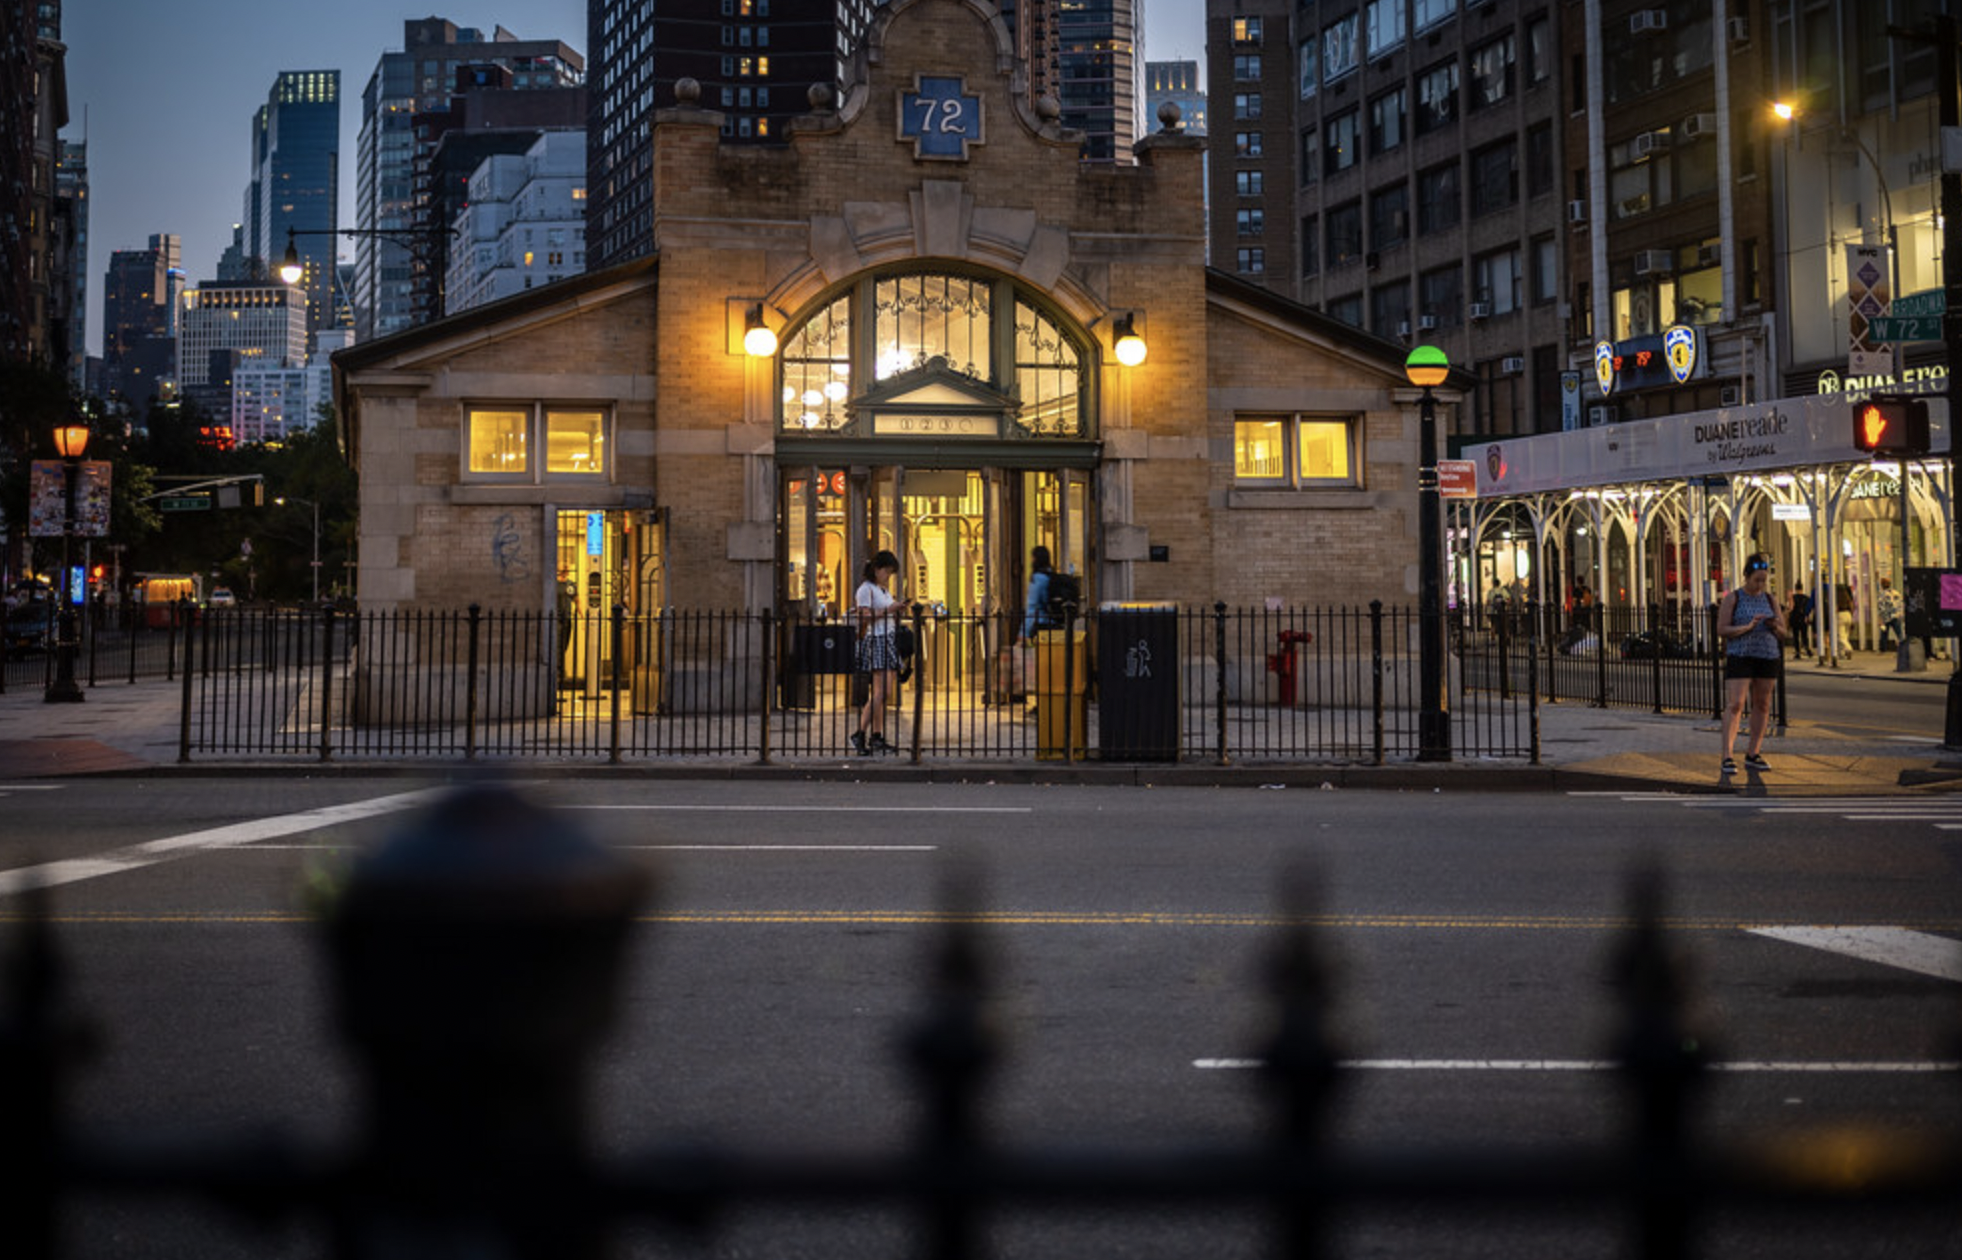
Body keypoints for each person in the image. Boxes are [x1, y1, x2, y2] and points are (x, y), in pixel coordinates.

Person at [1717, 553, 1788, 774]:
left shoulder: (1769, 600)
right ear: (1746, 576)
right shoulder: (1734, 598)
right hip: (1741, 654)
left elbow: (1784, 632)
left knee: (1763, 704)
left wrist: (1774, 625)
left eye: (1763, 580)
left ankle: (1753, 753)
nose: (1760, 585)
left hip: (1767, 655)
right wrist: (1746, 627)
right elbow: (1722, 629)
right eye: (1756, 580)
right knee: (1736, 704)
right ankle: (1727, 755)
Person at [851, 549, 904, 755]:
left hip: (887, 638)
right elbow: (864, 616)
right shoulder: (866, 590)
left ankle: (877, 736)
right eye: (887, 572)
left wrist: (897, 609)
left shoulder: (882, 590)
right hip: (876, 640)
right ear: (877, 569)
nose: (888, 576)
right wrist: (889, 610)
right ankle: (859, 734)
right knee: (881, 692)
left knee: (884, 693)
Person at [1019, 545, 1056, 644]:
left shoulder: (1037, 578)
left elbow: (1032, 606)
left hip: (1040, 624)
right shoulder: (1051, 575)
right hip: (1054, 623)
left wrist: (1023, 632)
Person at [1786, 581, 1814, 659]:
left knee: (1796, 636)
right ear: (1802, 588)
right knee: (1804, 635)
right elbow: (1809, 609)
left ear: (1795, 588)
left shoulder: (1793, 598)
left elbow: (1790, 608)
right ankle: (1807, 649)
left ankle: (1798, 652)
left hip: (1794, 618)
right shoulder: (1806, 598)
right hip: (1803, 618)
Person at [1878, 576, 1904, 652]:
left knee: (1884, 633)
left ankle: (1883, 648)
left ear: (1882, 585)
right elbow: (1900, 603)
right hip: (1896, 615)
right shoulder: (1896, 593)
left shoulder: (1882, 595)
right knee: (1899, 633)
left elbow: (1881, 607)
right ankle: (1903, 647)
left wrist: (1880, 618)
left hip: (1886, 616)